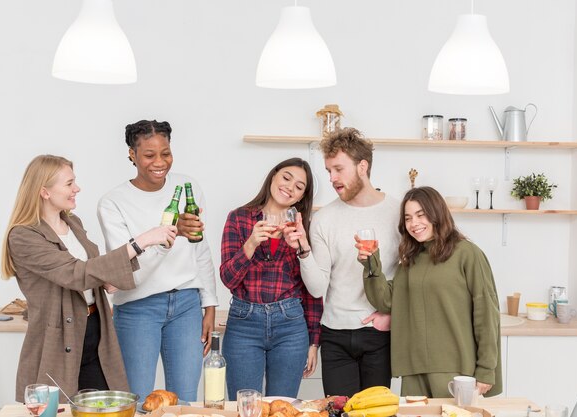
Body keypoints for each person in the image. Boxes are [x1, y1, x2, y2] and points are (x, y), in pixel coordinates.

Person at [0, 154, 176, 401]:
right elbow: (75, 274)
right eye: (69, 183)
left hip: (96, 330)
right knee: (59, 409)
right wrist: (141, 241)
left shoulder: (73, 223)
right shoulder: (24, 236)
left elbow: (89, 266)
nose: (77, 189)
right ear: (45, 192)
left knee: (107, 408)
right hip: (59, 339)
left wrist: (105, 280)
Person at [97, 120, 218, 402]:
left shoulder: (187, 187)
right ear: (132, 154)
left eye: (166, 153)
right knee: (137, 401)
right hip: (138, 307)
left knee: (185, 400)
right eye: (149, 155)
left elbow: (201, 249)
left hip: (187, 305)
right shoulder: (113, 202)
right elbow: (126, 273)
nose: (160, 162)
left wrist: (209, 304)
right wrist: (166, 237)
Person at [287, 128, 402, 397]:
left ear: (363, 167)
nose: (332, 179)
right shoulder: (324, 218)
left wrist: (392, 315)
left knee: (377, 416)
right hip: (335, 335)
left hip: (379, 334)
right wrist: (303, 248)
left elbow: (411, 274)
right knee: (340, 414)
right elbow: (317, 288)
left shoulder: (398, 213)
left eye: (339, 169)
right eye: (328, 171)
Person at [358, 186, 502, 398]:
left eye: (420, 214)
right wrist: (371, 264)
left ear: (437, 214)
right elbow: (387, 301)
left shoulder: (467, 253)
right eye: (408, 218)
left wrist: (486, 370)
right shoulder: (411, 259)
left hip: (456, 369)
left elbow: (486, 314)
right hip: (414, 370)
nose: (413, 224)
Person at [220, 157, 322, 399]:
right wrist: (251, 243)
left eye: (299, 187)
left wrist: (313, 341)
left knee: (283, 409)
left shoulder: (302, 227)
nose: (289, 187)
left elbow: (311, 289)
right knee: (245, 409)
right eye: (286, 178)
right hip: (244, 323)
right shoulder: (239, 218)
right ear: (273, 176)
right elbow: (228, 279)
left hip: (291, 325)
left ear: (301, 197)